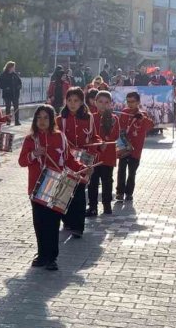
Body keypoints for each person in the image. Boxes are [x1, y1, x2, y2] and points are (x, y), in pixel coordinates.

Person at [18, 105, 86, 271]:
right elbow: (22, 161)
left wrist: (83, 168)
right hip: (36, 187)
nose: (42, 121)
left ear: (51, 120)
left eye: (46, 118)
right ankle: (42, 255)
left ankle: (52, 258)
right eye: (39, 118)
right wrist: (34, 154)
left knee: (53, 223)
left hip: (56, 185)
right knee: (40, 223)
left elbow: (69, 159)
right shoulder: (30, 139)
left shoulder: (60, 137)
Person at [58, 87, 100, 237]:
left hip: (84, 159)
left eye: (76, 100)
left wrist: (98, 145)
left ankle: (78, 227)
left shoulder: (89, 118)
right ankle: (67, 220)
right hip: (66, 159)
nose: (72, 103)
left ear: (82, 101)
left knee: (80, 192)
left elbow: (94, 137)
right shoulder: (60, 119)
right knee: (65, 191)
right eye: (69, 100)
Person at [116, 91, 154, 202]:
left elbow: (150, 126)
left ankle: (129, 193)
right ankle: (120, 192)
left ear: (138, 102)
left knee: (132, 172)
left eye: (132, 101)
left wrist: (142, 119)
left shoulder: (143, 114)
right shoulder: (124, 112)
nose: (130, 104)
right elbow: (120, 127)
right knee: (121, 170)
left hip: (136, 149)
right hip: (124, 146)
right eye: (128, 101)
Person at [88, 91, 119, 216]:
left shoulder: (114, 118)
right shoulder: (91, 117)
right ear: (95, 102)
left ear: (111, 104)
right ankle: (93, 207)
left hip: (108, 155)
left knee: (107, 181)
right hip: (94, 156)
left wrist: (108, 126)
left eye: (106, 102)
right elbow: (89, 135)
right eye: (100, 102)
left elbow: (115, 136)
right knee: (93, 182)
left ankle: (107, 205)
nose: (103, 105)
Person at [0, 60, 23, 126]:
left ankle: (17, 121)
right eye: (13, 67)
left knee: (16, 107)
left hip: (15, 94)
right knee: (8, 107)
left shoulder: (15, 75)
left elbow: (20, 83)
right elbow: (0, 84)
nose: (14, 68)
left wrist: (19, 87)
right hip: (7, 94)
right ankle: (8, 121)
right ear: (9, 67)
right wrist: (6, 87)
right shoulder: (3, 75)